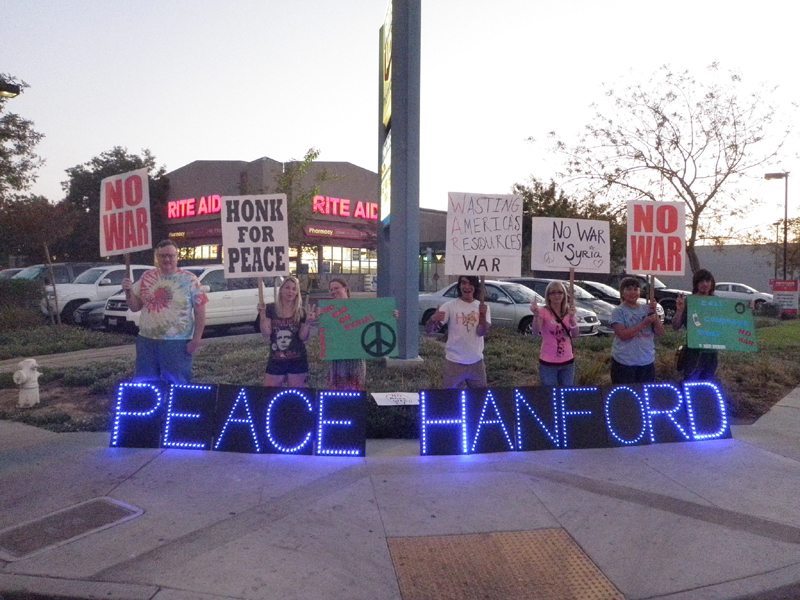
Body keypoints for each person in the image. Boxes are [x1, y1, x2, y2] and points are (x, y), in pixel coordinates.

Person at [122, 239, 207, 384]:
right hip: (147, 341)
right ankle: (149, 406)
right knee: (146, 382)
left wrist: (196, 340)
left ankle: (178, 407)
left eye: (170, 255)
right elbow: (135, 307)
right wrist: (128, 292)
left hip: (177, 343)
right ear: (157, 257)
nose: (167, 259)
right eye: (162, 256)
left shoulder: (190, 280)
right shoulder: (146, 277)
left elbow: (200, 312)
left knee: (177, 383)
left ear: (177, 257)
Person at [426, 275, 491, 388]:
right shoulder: (450, 306)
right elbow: (430, 331)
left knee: (480, 399)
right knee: (450, 400)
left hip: (476, 363)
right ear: (459, 286)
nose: (467, 286)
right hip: (454, 363)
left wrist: (482, 315)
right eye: (464, 283)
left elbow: (481, 332)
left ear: (475, 286)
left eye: (470, 283)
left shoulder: (483, 307)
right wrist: (432, 319)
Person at [258, 276, 316, 387]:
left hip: (297, 359)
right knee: (269, 394)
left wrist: (308, 322)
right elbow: (266, 333)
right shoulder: (270, 309)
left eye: (294, 289)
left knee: (296, 395)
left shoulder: (301, 312)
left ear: (297, 293)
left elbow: (303, 337)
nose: (291, 291)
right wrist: (262, 315)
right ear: (281, 290)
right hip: (276, 359)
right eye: (287, 288)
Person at [610, 276, 665, 384]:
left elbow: (661, 332)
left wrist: (655, 316)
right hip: (624, 363)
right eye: (629, 289)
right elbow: (623, 335)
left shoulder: (647, 309)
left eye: (636, 289)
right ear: (622, 292)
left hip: (646, 362)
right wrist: (644, 323)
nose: (633, 292)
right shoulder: (618, 311)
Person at [529, 280, 579, 386]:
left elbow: (575, 335)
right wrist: (536, 315)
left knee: (566, 394)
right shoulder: (543, 311)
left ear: (564, 294)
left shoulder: (569, 311)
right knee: (551, 395)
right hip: (548, 362)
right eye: (553, 292)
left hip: (567, 362)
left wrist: (572, 319)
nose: (557, 295)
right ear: (548, 296)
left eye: (560, 292)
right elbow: (535, 331)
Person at [672, 268, 719, 381]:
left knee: (707, 384)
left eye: (708, 281)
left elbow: (729, 323)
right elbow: (675, 326)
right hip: (694, 352)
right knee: (690, 383)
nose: (705, 284)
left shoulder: (717, 302)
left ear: (712, 283)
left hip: (712, 352)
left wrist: (747, 310)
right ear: (696, 284)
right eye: (701, 281)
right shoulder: (689, 301)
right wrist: (679, 310)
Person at [327, 277, 368, 390]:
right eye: (331, 289)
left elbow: (374, 320)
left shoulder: (358, 307)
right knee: (337, 391)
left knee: (355, 390)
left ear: (345, 289)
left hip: (355, 356)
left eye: (336, 288)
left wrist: (391, 315)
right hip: (337, 357)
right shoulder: (328, 310)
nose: (333, 291)